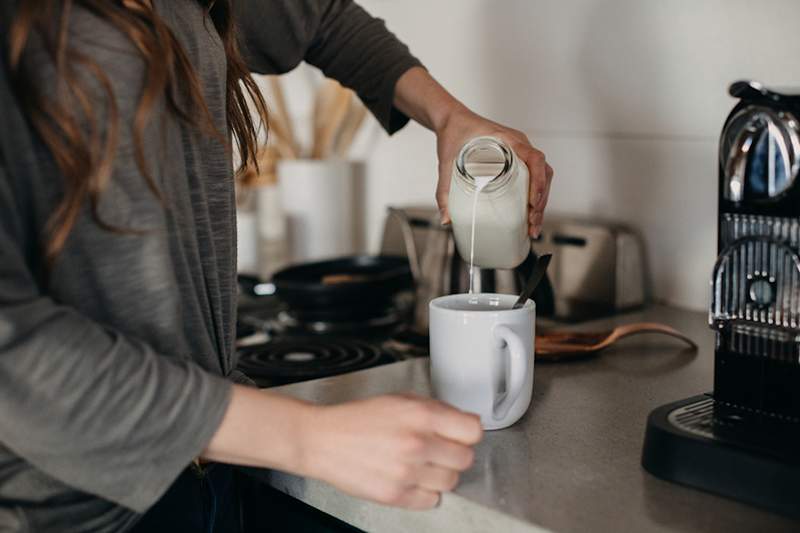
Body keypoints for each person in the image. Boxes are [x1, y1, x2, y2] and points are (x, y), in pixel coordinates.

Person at [0, 0, 554, 531]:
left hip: (209, 476)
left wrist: (449, 116)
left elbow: (316, 17)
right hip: (74, 507)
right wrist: (306, 437)